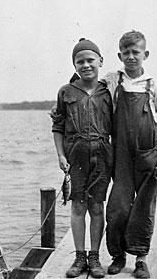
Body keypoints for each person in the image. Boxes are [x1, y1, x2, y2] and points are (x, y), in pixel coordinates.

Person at [103, 30, 157, 278]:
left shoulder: (153, 84)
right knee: (118, 207)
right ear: (119, 55)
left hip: (150, 156)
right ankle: (118, 255)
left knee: (144, 207)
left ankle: (141, 258)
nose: (131, 57)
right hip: (121, 155)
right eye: (126, 53)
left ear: (146, 54)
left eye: (136, 52)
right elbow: (87, 89)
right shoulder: (113, 81)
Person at [51, 38, 113, 278]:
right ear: (74, 65)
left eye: (90, 60)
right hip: (75, 155)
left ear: (100, 61)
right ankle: (79, 257)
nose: (86, 65)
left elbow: (116, 128)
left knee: (97, 206)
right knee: (77, 205)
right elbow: (57, 126)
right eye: (80, 61)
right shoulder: (65, 92)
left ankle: (95, 257)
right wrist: (60, 155)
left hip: (102, 154)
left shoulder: (108, 91)